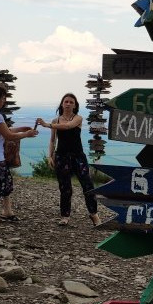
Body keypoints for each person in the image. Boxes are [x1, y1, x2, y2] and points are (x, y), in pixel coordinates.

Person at [0, 84, 38, 223]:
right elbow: (8, 135)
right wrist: (26, 134)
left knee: (7, 181)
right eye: (2, 98)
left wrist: (22, 129)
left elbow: (5, 130)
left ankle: (7, 211)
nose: (4, 101)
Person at [37, 93, 100, 227]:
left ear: (75, 105)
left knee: (87, 185)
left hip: (78, 156)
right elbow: (53, 140)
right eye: (66, 101)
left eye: (71, 102)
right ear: (62, 104)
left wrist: (46, 124)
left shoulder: (78, 118)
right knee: (65, 187)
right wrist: (50, 156)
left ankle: (94, 214)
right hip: (61, 156)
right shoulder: (56, 121)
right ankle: (65, 216)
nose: (68, 104)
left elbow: (68, 126)